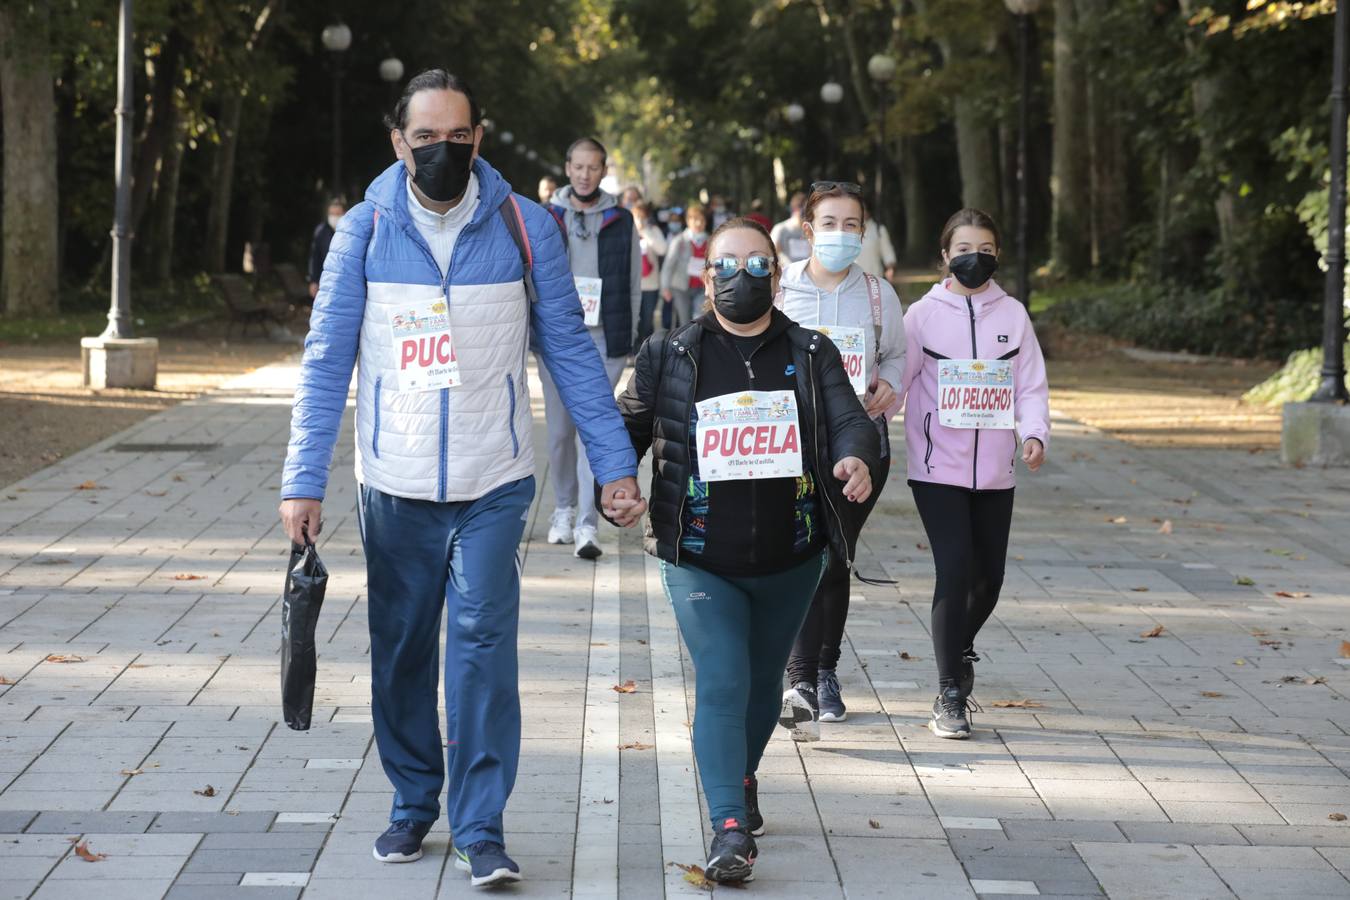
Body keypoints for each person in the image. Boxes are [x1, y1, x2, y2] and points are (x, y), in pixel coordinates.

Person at [278, 69, 646, 886]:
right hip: (395, 484)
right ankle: (414, 803)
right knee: (403, 652)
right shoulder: (366, 230)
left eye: (457, 137)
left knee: (481, 652)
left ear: (478, 137)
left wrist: (614, 467)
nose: (443, 150)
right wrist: (303, 480)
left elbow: (570, 354)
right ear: (397, 142)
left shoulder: (523, 226)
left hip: (495, 480)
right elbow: (326, 360)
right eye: (425, 138)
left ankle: (482, 826)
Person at [605, 216, 879, 884]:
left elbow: (849, 417)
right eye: (728, 265)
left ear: (776, 276)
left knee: (761, 690)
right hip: (697, 553)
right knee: (725, 679)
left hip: (791, 556)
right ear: (706, 276)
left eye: (758, 266)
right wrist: (613, 486)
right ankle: (730, 827)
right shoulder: (669, 352)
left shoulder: (812, 353)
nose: (742, 277)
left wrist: (854, 457)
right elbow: (625, 429)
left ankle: (742, 775)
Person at [896, 207, 1049, 739]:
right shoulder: (921, 315)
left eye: (985, 250)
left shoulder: (1013, 315)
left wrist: (1033, 434)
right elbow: (899, 380)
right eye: (964, 249)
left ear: (997, 255)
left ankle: (959, 643)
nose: (974, 259)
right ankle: (949, 692)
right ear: (945, 254)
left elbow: (1030, 385)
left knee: (990, 578)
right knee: (955, 568)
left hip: (997, 472)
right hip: (937, 466)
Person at [776, 181, 906, 738]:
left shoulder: (879, 296)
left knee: (834, 555)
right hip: (793, 447)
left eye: (851, 224)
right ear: (808, 231)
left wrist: (889, 386)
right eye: (829, 223)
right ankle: (801, 676)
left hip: (860, 448)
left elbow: (900, 358)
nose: (840, 233)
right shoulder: (781, 292)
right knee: (804, 554)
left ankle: (820, 673)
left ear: (865, 231)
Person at [540, 138, 643, 559]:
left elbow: (634, 281)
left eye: (593, 167)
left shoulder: (620, 219)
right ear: (567, 168)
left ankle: (587, 523)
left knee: (590, 432)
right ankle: (562, 508)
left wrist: (629, 334)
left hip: (605, 340)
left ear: (603, 171)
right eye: (578, 166)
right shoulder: (547, 216)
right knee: (560, 433)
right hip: (558, 338)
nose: (585, 174)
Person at [659, 203, 709, 331]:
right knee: (685, 322)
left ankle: (698, 348)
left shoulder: (711, 240)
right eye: (694, 219)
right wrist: (665, 287)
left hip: (702, 288)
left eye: (701, 220)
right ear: (688, 221)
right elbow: (668, 265)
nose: (698, 223)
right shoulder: (680, 240)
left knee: (700, 319)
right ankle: (685, 349)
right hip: (681, 288)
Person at [633, 200, 668, 346]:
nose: (640, 219)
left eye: (643, 216)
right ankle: (633, 349)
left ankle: (645, 348)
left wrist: (646, 232)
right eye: (637, 216)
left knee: (647, 319)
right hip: (633, 285)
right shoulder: (628, 231)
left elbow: (662, 249)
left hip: (651, 285)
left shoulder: (653, 231)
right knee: (635, 319)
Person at [306, 197, 346, 298]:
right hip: (325, 282)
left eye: (338, 214)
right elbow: (315, 257)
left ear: (344, 214)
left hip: (346, 281)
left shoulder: (351, 232)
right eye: (332, 214)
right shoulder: (321, 231)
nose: (334, 217)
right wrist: (313, 280)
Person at [770, 192, 810, 269]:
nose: (807, 213)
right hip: (786, 276)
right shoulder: (780, 229)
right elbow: (771, 253)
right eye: (805, 209)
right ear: (795, 209)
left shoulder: (811, 230)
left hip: (807, 275)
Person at [856, 209, 897, 282]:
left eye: (864, 209)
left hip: (875, 277)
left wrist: (890, 269)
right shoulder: (849, 230)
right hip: (853, 278)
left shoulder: (879, 229)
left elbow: (887, 251)